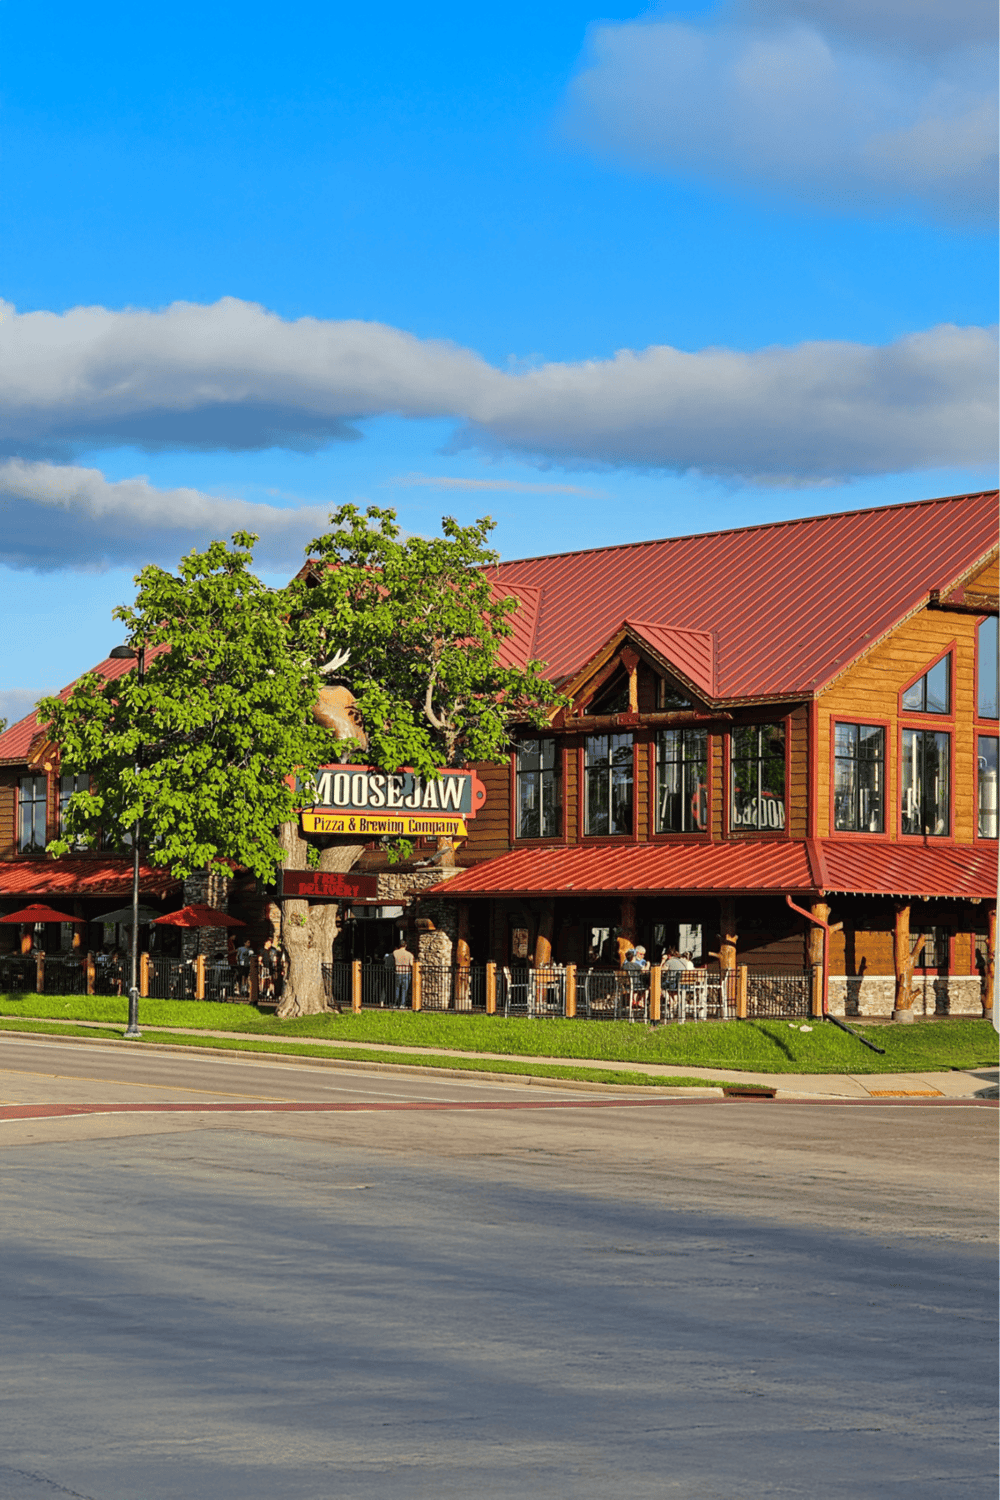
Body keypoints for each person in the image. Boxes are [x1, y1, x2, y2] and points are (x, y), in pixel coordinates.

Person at [392, 937, 414, 1009]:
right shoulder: (410, 954)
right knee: (404, 989)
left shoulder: (395, 952)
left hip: (398, 971)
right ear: (406, 945)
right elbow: (411, 964)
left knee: (397, 988)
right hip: (406, 972)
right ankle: (402, 1004)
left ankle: (395, 1003)